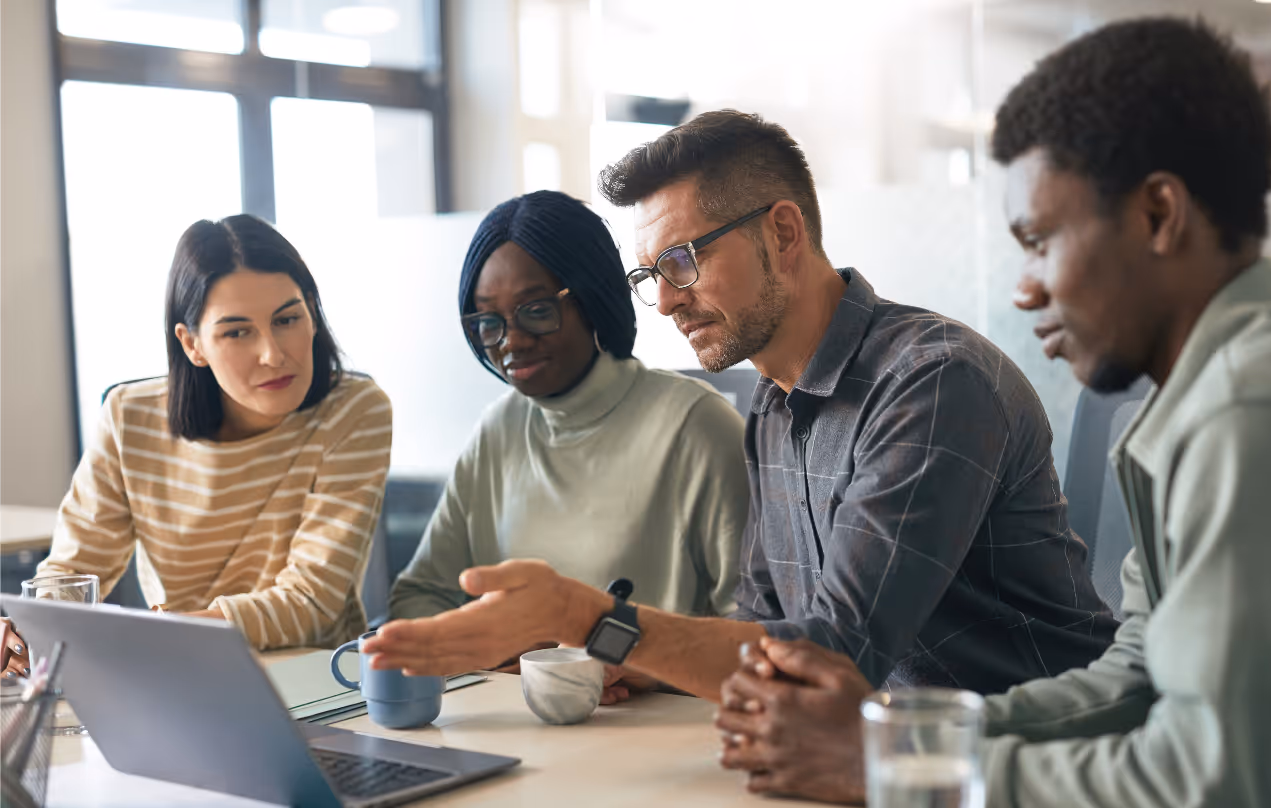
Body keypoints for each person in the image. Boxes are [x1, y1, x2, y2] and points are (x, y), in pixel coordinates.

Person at [713, 17, 1271, 808]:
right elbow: (1132, 680)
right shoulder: (1195, 405)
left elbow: (1209, 781)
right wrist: (899, 737)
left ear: (1159, 215)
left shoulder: (1256, 416)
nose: (1024, 288)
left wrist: (905, 773)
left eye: (1040, 240)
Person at [361, 112, 1117, 702]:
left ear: (783, 232)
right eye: (649, 274)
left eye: (682, 262)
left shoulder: (932, 382)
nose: (662, 301)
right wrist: (634, 664)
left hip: (1031, 765)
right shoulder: (776, 405)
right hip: (865, 763)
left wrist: (583, 617)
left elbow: (834, 655)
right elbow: (757, 631)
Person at [386, 191, 749, 692]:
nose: (511, 340)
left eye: (536, 311)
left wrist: (636, 665)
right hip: (522, 729)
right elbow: (421, 596)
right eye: (489, 322)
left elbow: (757, 637)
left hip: (660, 737)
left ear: (593, 297)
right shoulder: (499, 429)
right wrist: (503, 661)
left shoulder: (697, 427)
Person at [2, 214, 391, 678]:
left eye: (287, 319)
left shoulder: (353, 410)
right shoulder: (130, 418)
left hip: (320, 685)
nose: (273, 353)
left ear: (312, 314)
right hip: (183, 682)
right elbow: (71, 574)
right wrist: (28, 629)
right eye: (237, 331)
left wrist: (169, 634)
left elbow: (312, 600)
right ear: (192, 345)